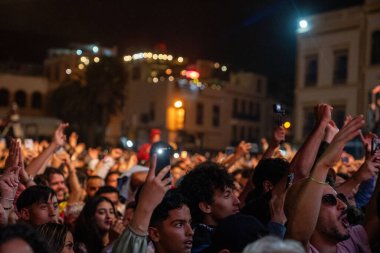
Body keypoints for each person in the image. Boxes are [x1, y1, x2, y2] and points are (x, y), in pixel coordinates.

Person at [286, 115, 380, 252]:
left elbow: (376, 215)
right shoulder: (300, 249)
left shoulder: (351, 241)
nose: (343, 205)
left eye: (340, 198)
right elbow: (298, 233)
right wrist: (323, 164)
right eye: (329, 199)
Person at [178, 162, 240, 253]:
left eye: (234, 193)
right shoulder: (201, 243)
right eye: (227, 196)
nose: (237, 201)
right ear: (206, 206)